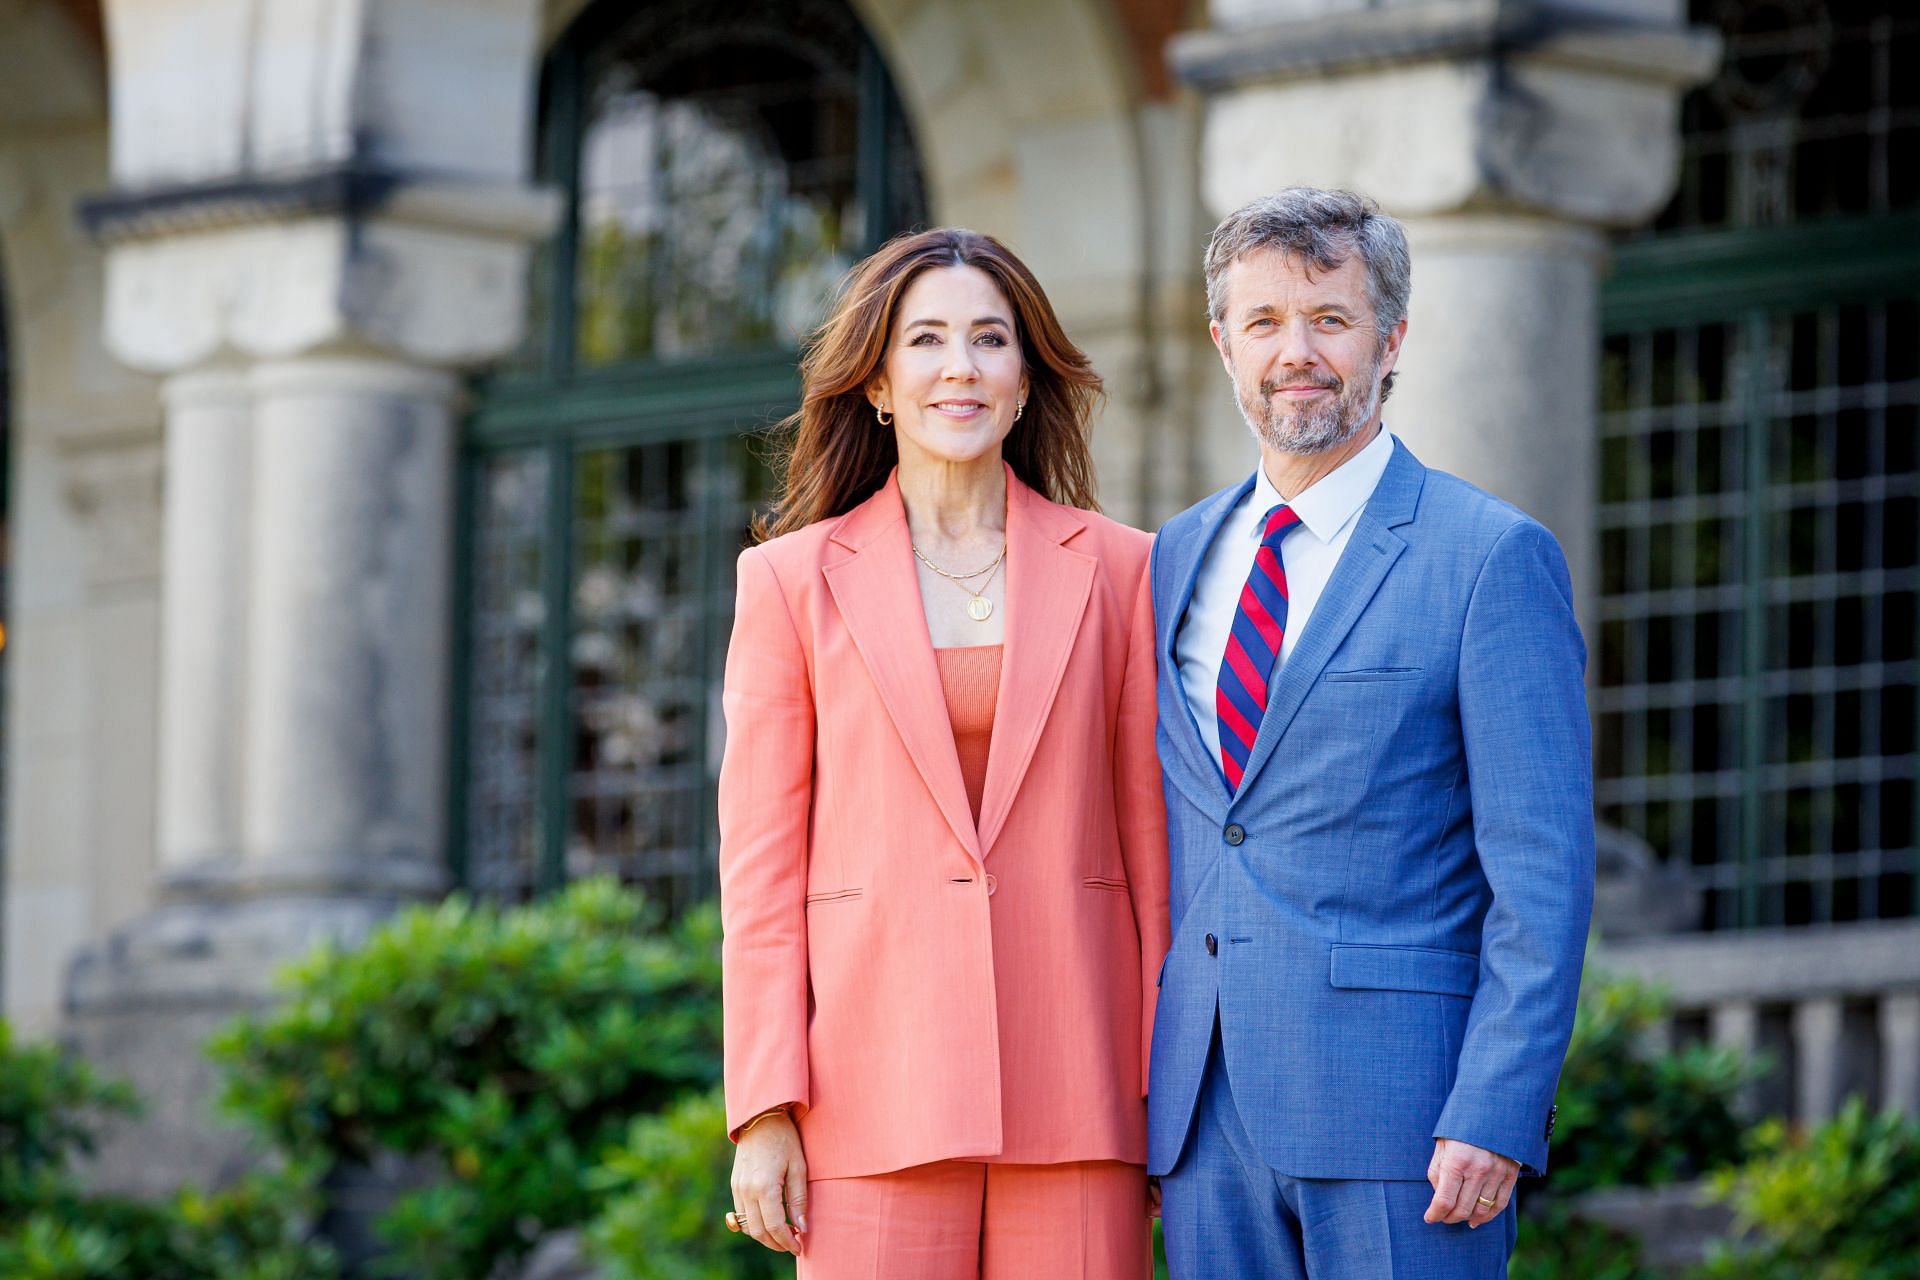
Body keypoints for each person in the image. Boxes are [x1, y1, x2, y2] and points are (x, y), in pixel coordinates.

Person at [1147, 187, 1595, 1278]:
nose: (1295, 351)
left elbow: (1541, 868)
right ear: (1221, 343)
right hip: (1203, 1120)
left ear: (1392, 338)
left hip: (1411, 1119)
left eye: (1330, 319)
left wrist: (1498, 1102)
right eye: (1263, 322)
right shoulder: (1166, 560)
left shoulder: (1490, 556)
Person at [717, 226, 1168, 1278]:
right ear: (877, 382)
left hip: (1083, 1084)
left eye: (989, 339)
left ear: (1024, 380)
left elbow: (1157, 853)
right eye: (925, 340)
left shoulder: (1124, 569)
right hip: (868, 1090)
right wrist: (764, 1106)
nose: (958, 366)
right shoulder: (788, 582)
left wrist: (1166, 1085)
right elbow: (761, 874)